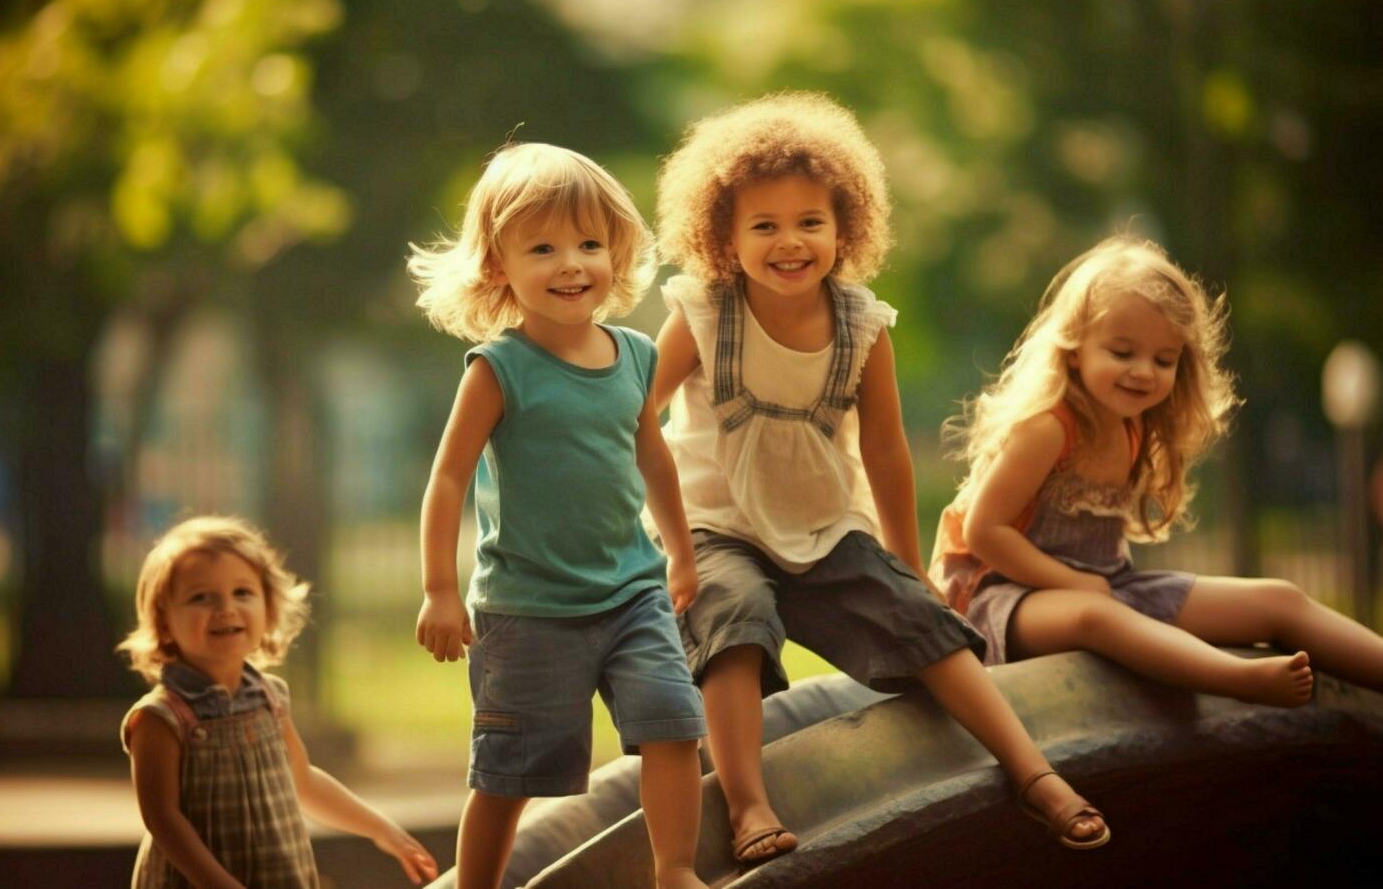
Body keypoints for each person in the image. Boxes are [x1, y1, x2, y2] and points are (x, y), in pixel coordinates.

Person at [651, 92, 1109, 859]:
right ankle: (748, 805)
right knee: (732, 620)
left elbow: (888, 452)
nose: (789, 242)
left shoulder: (863, 327)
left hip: (825, 526)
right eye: (764, 225)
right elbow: (639, 417)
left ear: (845, 227)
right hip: (716, 526)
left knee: (922, 625)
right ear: (724, 235)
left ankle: (1035, 773)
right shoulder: (702, 312)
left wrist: (903, 557)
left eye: (810, 223)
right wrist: (671, 544)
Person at [409, 142, 708, 889]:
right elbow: (447, 479)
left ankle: (673, 871)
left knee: (674, 723)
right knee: (511, 773)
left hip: (632, 591)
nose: (571, 263)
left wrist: (679, 551)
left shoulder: (636, 354)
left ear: (617, 252)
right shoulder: (498, 368)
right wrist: (440, 590)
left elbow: (654, 457)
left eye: (589, 243)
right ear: (497, 268)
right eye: (542, 247)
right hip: (529, 607)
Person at [934, 236, 1383, 703]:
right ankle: (1237, 680)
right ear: (1073, 349)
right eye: (1122, 353)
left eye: (1163, 359)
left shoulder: (1133, 428)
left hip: (1106, 586)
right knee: (1097, 618)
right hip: (1006, 599)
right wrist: (1073, 583)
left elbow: (1103, 580)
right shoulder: (1049, 428)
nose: (1144, 371)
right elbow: (984, 531)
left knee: (1279, 599)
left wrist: (1091, 585)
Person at [117, 515, 437, 888]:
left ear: (268, 609)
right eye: (200, 597)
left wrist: (381, 829)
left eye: (242, 593)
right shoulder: (161, 718)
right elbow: (162, 819)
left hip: (274, 873)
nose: (225, 608)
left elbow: (302, 780)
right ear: (164, 622)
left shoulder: (269, 697)